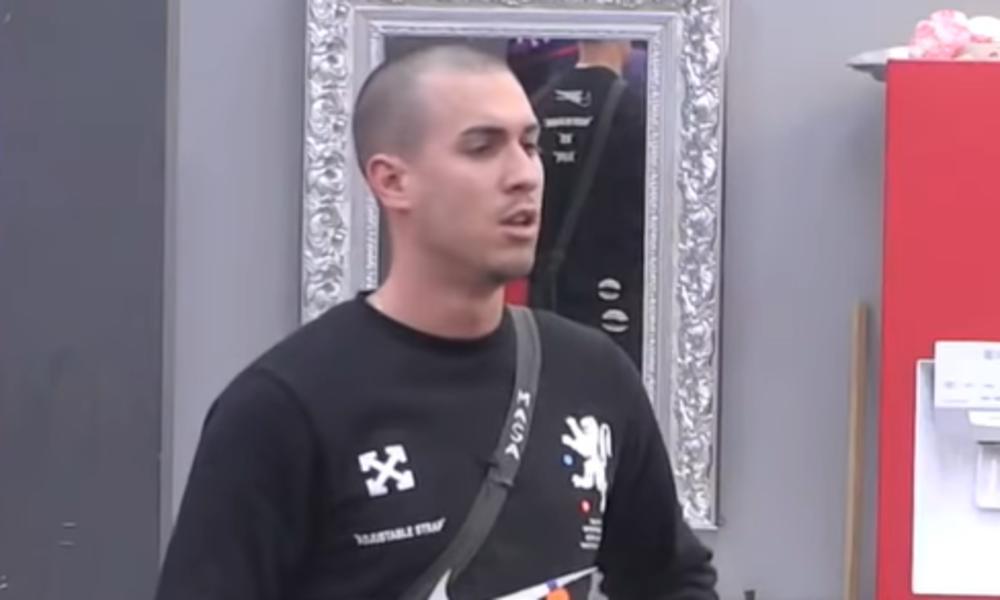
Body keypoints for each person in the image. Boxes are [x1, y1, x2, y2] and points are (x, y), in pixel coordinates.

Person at [154, 43, 717, 600]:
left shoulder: (593, 376)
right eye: (482, 147)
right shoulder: (285, 407)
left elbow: (670, 580)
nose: (524, 175)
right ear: (392, 181)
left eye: (530, 145)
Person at [528, 40, 647, 367]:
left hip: (544, 299)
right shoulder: (637, 111)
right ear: (623, 40)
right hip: (614, 299)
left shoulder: (537, 106)